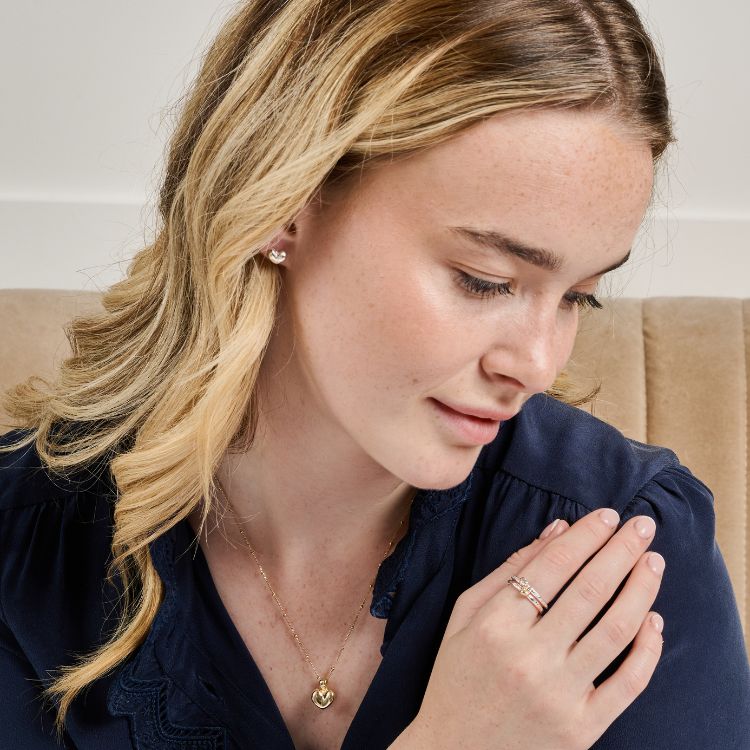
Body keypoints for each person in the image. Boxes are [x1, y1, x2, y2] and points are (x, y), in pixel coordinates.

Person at [1, 0, 749, 748]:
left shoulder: (626, 550)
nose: (537, 364)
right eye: (484, 279)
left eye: (579, 296)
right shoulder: (21, 548)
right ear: (283, 202)